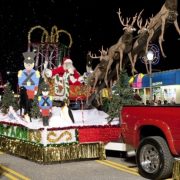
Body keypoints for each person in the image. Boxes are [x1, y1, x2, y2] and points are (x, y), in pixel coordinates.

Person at [18, 51, 40, 120]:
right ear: (25, 64)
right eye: (27, 64)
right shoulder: (22, 72)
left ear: (32, 64)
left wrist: (36, 89)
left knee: (30, 103)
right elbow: (20, 83)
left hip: (31, 90)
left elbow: (36, 82)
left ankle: (30, 114)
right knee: (24, 103)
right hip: (24, 90)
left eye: (30, 63)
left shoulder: (35, 73)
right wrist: (20, 87)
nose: (29, 65)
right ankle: (25, 114)